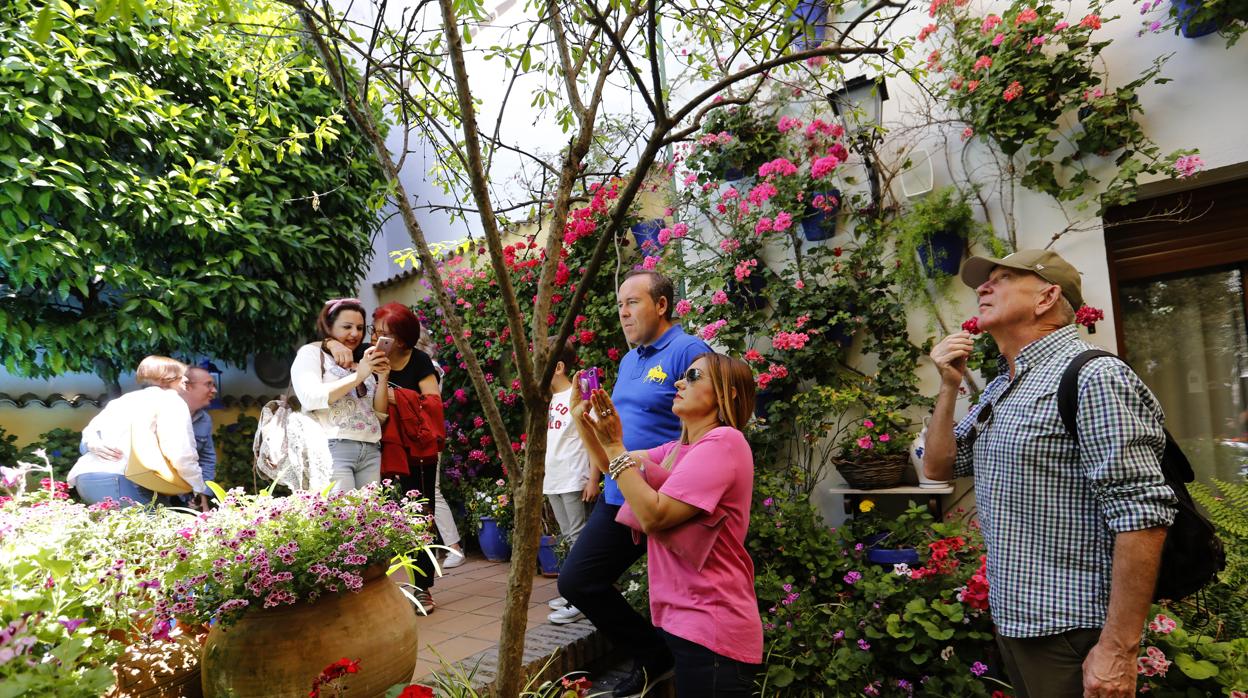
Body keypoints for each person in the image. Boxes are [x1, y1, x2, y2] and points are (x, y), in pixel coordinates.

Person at [924, 250, 1177, 698]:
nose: (982, 288)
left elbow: (1142, 514)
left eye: (1001, 279)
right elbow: (940, 466)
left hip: (1074, 632)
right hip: (1019, 622)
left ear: (1047, 297)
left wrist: (1118, 648)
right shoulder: (1005, 384)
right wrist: (948, 386)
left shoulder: (1093, 375)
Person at [552, 270, 712, 698]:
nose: (623, 312)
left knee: (679, 596)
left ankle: (670, 663)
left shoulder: (688, 350)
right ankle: (654, 656)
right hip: (618, 492)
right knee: (577, 581)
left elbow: (710, 424)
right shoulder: (629, 360)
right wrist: (586, 419)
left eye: (633, 302)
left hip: (662, 495)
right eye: (620, 304)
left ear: (661, 305)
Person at [574, 352, 762, 697]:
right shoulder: (676, 450)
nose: (679, 381)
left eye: (693, 376)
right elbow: (613, 465)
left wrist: (615, 443)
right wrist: (584, 422)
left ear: (727, 394)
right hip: (685, 622)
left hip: (713, 625)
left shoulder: (725, 443)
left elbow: (654, 514)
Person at [371, 302, 444, 611]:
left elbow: (434, 402)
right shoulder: (370, 357)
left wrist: (396, 398)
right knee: (386, 520)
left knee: (419, 519)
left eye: (384, 333)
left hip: (417, 454)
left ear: (401, 338)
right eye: (375, 331)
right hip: (379, 449)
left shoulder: (419, 361)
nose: (377, 338)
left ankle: (422, 586)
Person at [69, 356, 207, 507]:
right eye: (181, 376)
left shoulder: (125, 400)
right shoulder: (170, 400)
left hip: (87, 478)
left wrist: (92, 444)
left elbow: (90, 433)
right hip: (124, 479)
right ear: (168, 378)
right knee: (161, 526)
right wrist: (198, 486)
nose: (185, 380)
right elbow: (180, 451)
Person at [290, 298, 390, 493]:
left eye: (360, 328)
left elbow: (378, 415)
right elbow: (310, 398)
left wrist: (383, 378)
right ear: (329, 326)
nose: (355, 333)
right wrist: (358, 376)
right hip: (331, 446)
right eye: (347, 326)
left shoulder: (360, 360)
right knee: (339, 518)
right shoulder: (311, 354)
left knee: (369, 520)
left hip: (370, 448)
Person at [544, 338, 600, 559]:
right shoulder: (546, 399)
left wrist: (593, 479)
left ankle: (586, 588)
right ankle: (577, 588)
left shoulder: (578, 396)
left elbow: (594, 439)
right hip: (553, 480)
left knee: (579, 537)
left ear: (558, 367)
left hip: (574, 478)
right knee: (568, 536)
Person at [181, 366, 218, 510]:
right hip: (156, 492)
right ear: (187, 387)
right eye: (208, 384)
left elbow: (207, 459)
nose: (214, 390)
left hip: (191, 495)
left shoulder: (205, 420)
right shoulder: (164, 414)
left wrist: (203, 495)